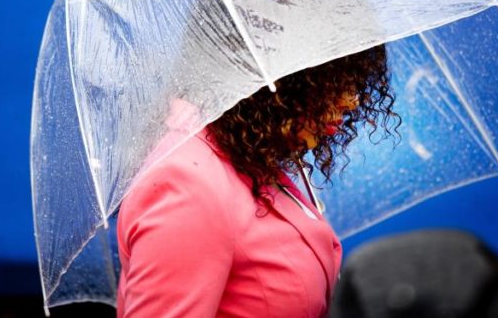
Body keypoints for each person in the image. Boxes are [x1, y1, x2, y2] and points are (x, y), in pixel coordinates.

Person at [115, 44, 398, 317]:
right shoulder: (187, 183)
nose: (352, 100)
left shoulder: (245, 151)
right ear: (283, 71)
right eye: (333, 77)